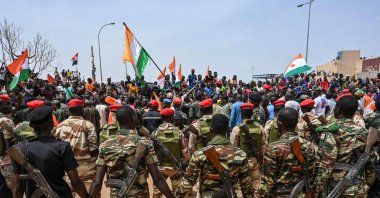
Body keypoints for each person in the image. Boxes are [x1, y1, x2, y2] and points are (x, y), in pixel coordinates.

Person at [88, 106, 175, 198]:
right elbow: (157, 179)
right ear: (133, 119)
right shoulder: (145, 143)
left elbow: (97, 182)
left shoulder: (104, 145)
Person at [12, 106, 88, 198]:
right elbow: (75, 182)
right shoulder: (62, 147)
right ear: (51, 124)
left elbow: (18, 186)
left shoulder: (19, 150)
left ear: (32, 127)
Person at [175, 114, 253, 198]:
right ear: (227, 129)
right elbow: (246, 186)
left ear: (211, 129)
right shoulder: (241, 154)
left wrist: (177, 195)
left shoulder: (199, 155)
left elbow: (187, 184)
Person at [256, 107, 318, 197]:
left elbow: (267, 182)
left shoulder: (273, 148)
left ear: (279, 123)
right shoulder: (309, 145)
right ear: (297, 123)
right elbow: (311, 173)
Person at [323, 95, 376, 196]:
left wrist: (317, 189)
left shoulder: (330, 132)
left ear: (337, 110)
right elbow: (370, 161)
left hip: (334, 188)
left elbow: (325, 165)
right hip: (358, 187)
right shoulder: (363, 132)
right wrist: (369, 182)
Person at [54, 99, 98, 195]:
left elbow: (56, 146)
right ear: (82, 110)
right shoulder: (88, 125)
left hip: (68, 169)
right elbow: (93, 148)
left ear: (69, 111)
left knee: (68, 194)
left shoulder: (60, 126)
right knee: (91, 194)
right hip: (87, 167)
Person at [152, 108, 190, 198]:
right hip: (175, 168)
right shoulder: (179, 132)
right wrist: (185, 163)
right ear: (172, 117)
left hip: (160, 168)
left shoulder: (155, 133)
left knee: (157, 193)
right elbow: (185, 152)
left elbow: (151, 151)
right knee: (178, 193)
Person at [230, 103, 263, 193]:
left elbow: (233, 147)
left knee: (240, 185)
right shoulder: (260, 127)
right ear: (252, 113)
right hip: (255, 160)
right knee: (256, 184)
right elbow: (263, 145)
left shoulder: (236, 129)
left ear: (241, 114)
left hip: (241, 162)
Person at [0, 95, 15, 196]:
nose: (11, 106)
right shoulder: (6, 121)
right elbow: (9, 145)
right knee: (14, 188)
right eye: (7, 104)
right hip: (6, 160)